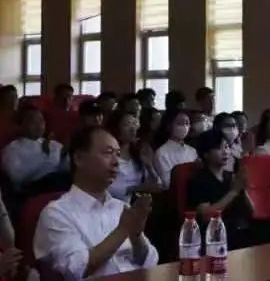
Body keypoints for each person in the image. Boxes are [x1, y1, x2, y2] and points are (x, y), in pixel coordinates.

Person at [33, 126, 158, 280]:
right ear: (79, 158)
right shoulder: (56, 214)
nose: (116, 162)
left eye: (118, 154)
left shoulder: (121, 208)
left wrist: (136, 236)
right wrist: (123, 230)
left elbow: (150, 262)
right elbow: (77, 269)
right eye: (108, 153)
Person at [187, 129, 254, 251]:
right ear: (206, 154)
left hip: (239, 233)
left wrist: (243, 189)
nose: (225, 152)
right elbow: (206, 216)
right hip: (214, 238)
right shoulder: (199, 180)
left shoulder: (231, 177)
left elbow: (252, 211)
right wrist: (233, 192)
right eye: (219, 148)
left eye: (226, 147)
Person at [1, 105, 68, 191]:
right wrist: (44, 155)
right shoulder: (12, 149)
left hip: (59, 182)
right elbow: (17, 176)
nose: (39, 124)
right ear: (20, 125)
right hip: (31, 189)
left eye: (41, 120)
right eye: (33, 121)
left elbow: (66, 167)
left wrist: (65, 155)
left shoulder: (53, 144)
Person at [106, 110, 162, 203]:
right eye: (127, 125)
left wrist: (149, 166)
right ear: (116, 128)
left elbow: (157, 185)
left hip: (136, 205)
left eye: (134, 124)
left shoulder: (139, 152)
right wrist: (136, 188)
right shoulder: (108, 154)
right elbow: (109, 189)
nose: (132, 128)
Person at [154, 110, 198, 188]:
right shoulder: (162, 153)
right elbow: (167, 182)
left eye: (187, 123)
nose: (184, 127)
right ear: (169, 126)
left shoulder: (192, 151)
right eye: (179, 123)